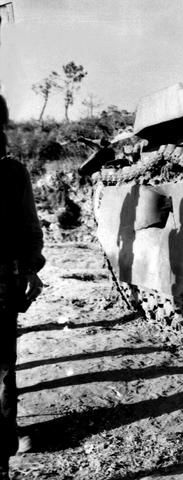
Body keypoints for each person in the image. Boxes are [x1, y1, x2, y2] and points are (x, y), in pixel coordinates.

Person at [0, 94, 45, 480]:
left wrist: (30, 267)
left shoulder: (12, 173)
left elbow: (29, 230)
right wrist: (31, 268)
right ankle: (5, 442)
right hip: (2, 278)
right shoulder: (11, 172)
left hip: (2, 277)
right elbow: (30, 228)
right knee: (2, 366)